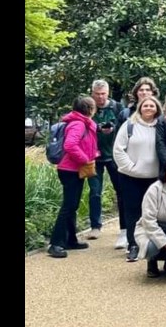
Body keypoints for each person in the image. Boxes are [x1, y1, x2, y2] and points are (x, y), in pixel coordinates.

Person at [47, 96, 99, 258]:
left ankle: (70, 239)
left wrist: (93, 154)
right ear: (90, 109)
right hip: (70, 169)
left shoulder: (82, 123)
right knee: (68, 206)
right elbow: (70, 145)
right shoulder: (78, 124)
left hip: (73, 169)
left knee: (72, 205)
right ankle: (56, 243)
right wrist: (85, 159)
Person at [114, 94, 162, 262]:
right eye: (145, 106)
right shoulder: (129, 125)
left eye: (152, 106)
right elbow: (118, 150)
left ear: (157, 108)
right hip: (130, 177)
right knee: (132, 212)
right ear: (140, 107)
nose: (148, 108)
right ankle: (133, 244)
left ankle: (151, 245)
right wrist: (130, 167)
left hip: (154, 178)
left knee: (152, 212)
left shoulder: (161, 126)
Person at [87, 79, 125, 242]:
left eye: (103, 94)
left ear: (108, 93)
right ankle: (95, 226)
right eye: (97, 94)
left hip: (115, 156)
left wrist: (112, 128)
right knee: (95, 192)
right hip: (94, 156)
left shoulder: (117, 107)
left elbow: (125, 126)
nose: (101, 97)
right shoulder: (88, 108)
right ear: (92, 94)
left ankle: (124, 228)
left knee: (121, 191)